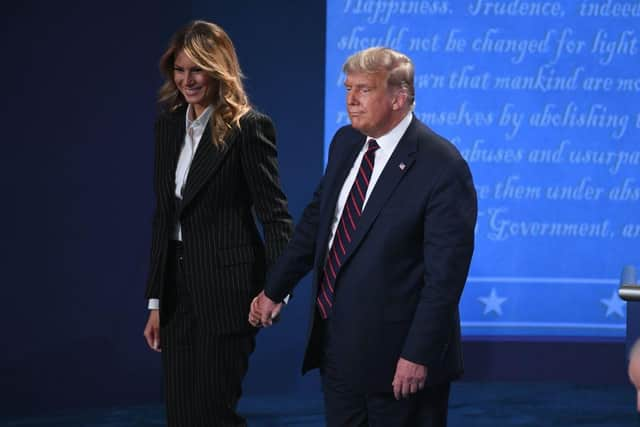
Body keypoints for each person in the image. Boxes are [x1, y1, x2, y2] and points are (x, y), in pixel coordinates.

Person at [249, 47, 477, 426]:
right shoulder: (346, 143)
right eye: (348, 88)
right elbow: (317, 225)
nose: (351, 100)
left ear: (399, 98)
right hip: (338, 348)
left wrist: (418, 354)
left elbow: (445, 279)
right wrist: (276, 288)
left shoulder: (442, 166)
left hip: (399, 362)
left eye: (364, 90)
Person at [142, 20, 293, 427]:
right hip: (175, 296)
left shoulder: (249, 127)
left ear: (219, 70)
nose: (187, 80)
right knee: (182, 416)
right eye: (179, 70)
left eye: (197, 69)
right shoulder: (168, 126)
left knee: (212, 415)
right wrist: (156, 300)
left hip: (228, 293)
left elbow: (275, 214)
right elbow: (165, 217)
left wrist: (276, 290)